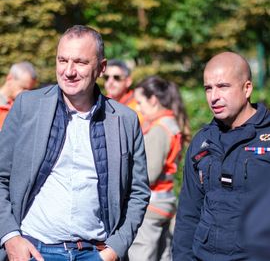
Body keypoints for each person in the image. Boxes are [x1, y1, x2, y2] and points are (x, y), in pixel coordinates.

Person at [0, 25, 150, 261]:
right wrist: (10, 237)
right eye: (62, 60)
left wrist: (114, 250)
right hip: (33, 251)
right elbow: (0, 177)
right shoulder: (27, 107)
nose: (68, 71)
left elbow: (138, 193)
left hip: (96, 253)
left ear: (101, 68)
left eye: (80, 62)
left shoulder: (125, 120)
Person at [172, 51, 270, 260]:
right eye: (208, 88)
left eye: (223, 86)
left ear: (247, 88)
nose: (214, 96)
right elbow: (189, 213)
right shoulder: (202, 141)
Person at [128, 76, 189, 261]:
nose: (138, 108)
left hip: (151, 207)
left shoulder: (158, 130)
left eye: (140, 102)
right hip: (165, 202)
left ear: (153, 99)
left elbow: (149, 174)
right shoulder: (171, 123)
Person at [0, 61, 37, 129]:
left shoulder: (25, 107)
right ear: (9, 78)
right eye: (23, 88)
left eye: (30, 90)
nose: (26, 94)